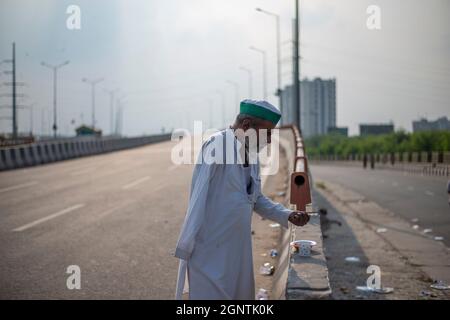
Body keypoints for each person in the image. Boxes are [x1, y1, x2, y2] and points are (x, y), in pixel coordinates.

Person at [174, 99, 310, 300]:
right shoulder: (217, 146)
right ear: (246, 126)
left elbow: (254, 199)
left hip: (238, 252)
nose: (270, 140)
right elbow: (198, 195)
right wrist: (187, 244)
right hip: (209, 251)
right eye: (267, 133)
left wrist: (287, 214)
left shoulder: (252, 155)